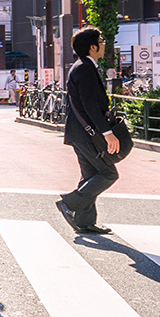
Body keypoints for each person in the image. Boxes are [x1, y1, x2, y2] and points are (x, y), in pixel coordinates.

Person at [56, 26, 118, 235]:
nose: (104, 43)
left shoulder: (81, 66)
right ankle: (70, 203)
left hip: (78, 131)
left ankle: (84, 221)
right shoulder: (84, 68)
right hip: (85, 133)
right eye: (101, 40)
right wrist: (107, 133)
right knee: (108, 173)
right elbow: (89, 104)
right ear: (92, 47)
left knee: (90, 174)